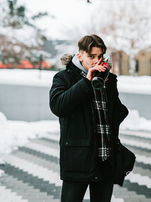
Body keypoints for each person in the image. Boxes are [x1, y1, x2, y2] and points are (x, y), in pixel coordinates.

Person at [49, 34, 129, 202]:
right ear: (80, 55)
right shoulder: (64, 78)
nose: (96, 61)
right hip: (78, 158)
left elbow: (116, 113)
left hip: (105, 158)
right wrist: (87, 81)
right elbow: (58, 106)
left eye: (99, 57)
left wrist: (107, 82)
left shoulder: (108, 80)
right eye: (91, 56)